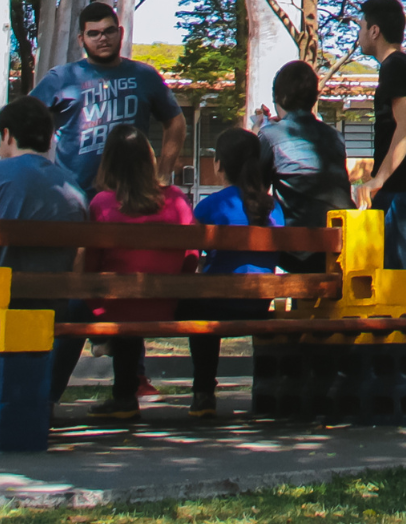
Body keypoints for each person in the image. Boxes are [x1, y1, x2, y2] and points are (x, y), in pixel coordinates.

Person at [66, 124, 197, 420]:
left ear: (109, 163)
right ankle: (126, 396)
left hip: (113, 306)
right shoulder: (176, 199)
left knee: (91, 305)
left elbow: (90, 266)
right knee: (132, 304)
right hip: (166, 304)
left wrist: (96, 304)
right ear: (149, 159)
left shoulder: (102, 203)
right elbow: (191, 257)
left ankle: (110, 394)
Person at [0, 94, 90, 405]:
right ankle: (45, 401)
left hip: (0, 301)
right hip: (53, 304)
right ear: (49, 137)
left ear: (7, 135)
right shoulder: (73, 186)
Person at [180, 126, 285, 419]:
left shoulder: (210, 206)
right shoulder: (274, 208)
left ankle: (203, 393)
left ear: (219, 165)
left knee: (195, 304)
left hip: (218, 304)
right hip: (259, 304)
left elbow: (189, 255)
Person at [31, 1, 187, 194]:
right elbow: (22, 121)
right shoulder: (61, 78)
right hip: (75, 198)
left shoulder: (144, 76)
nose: (102, 38)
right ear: (81, 39)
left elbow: (175, 122)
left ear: (120, 32)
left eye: (109, 31)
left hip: (133, 198)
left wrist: (163, 174)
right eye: (93, 33)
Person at [354, 0, 406, 275]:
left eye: (361, 27)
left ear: (374, 31)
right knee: (394, 275)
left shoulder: (394, 67)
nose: (359, 34)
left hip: (399, 192)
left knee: (393, 276)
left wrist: (379, 179)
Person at [258, 60, 354, 267]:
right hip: (343, 241)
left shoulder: (270, 135)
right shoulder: (334, 136)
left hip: (299, 250)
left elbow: (254, 191)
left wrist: (258, 134)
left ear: (279, 98)